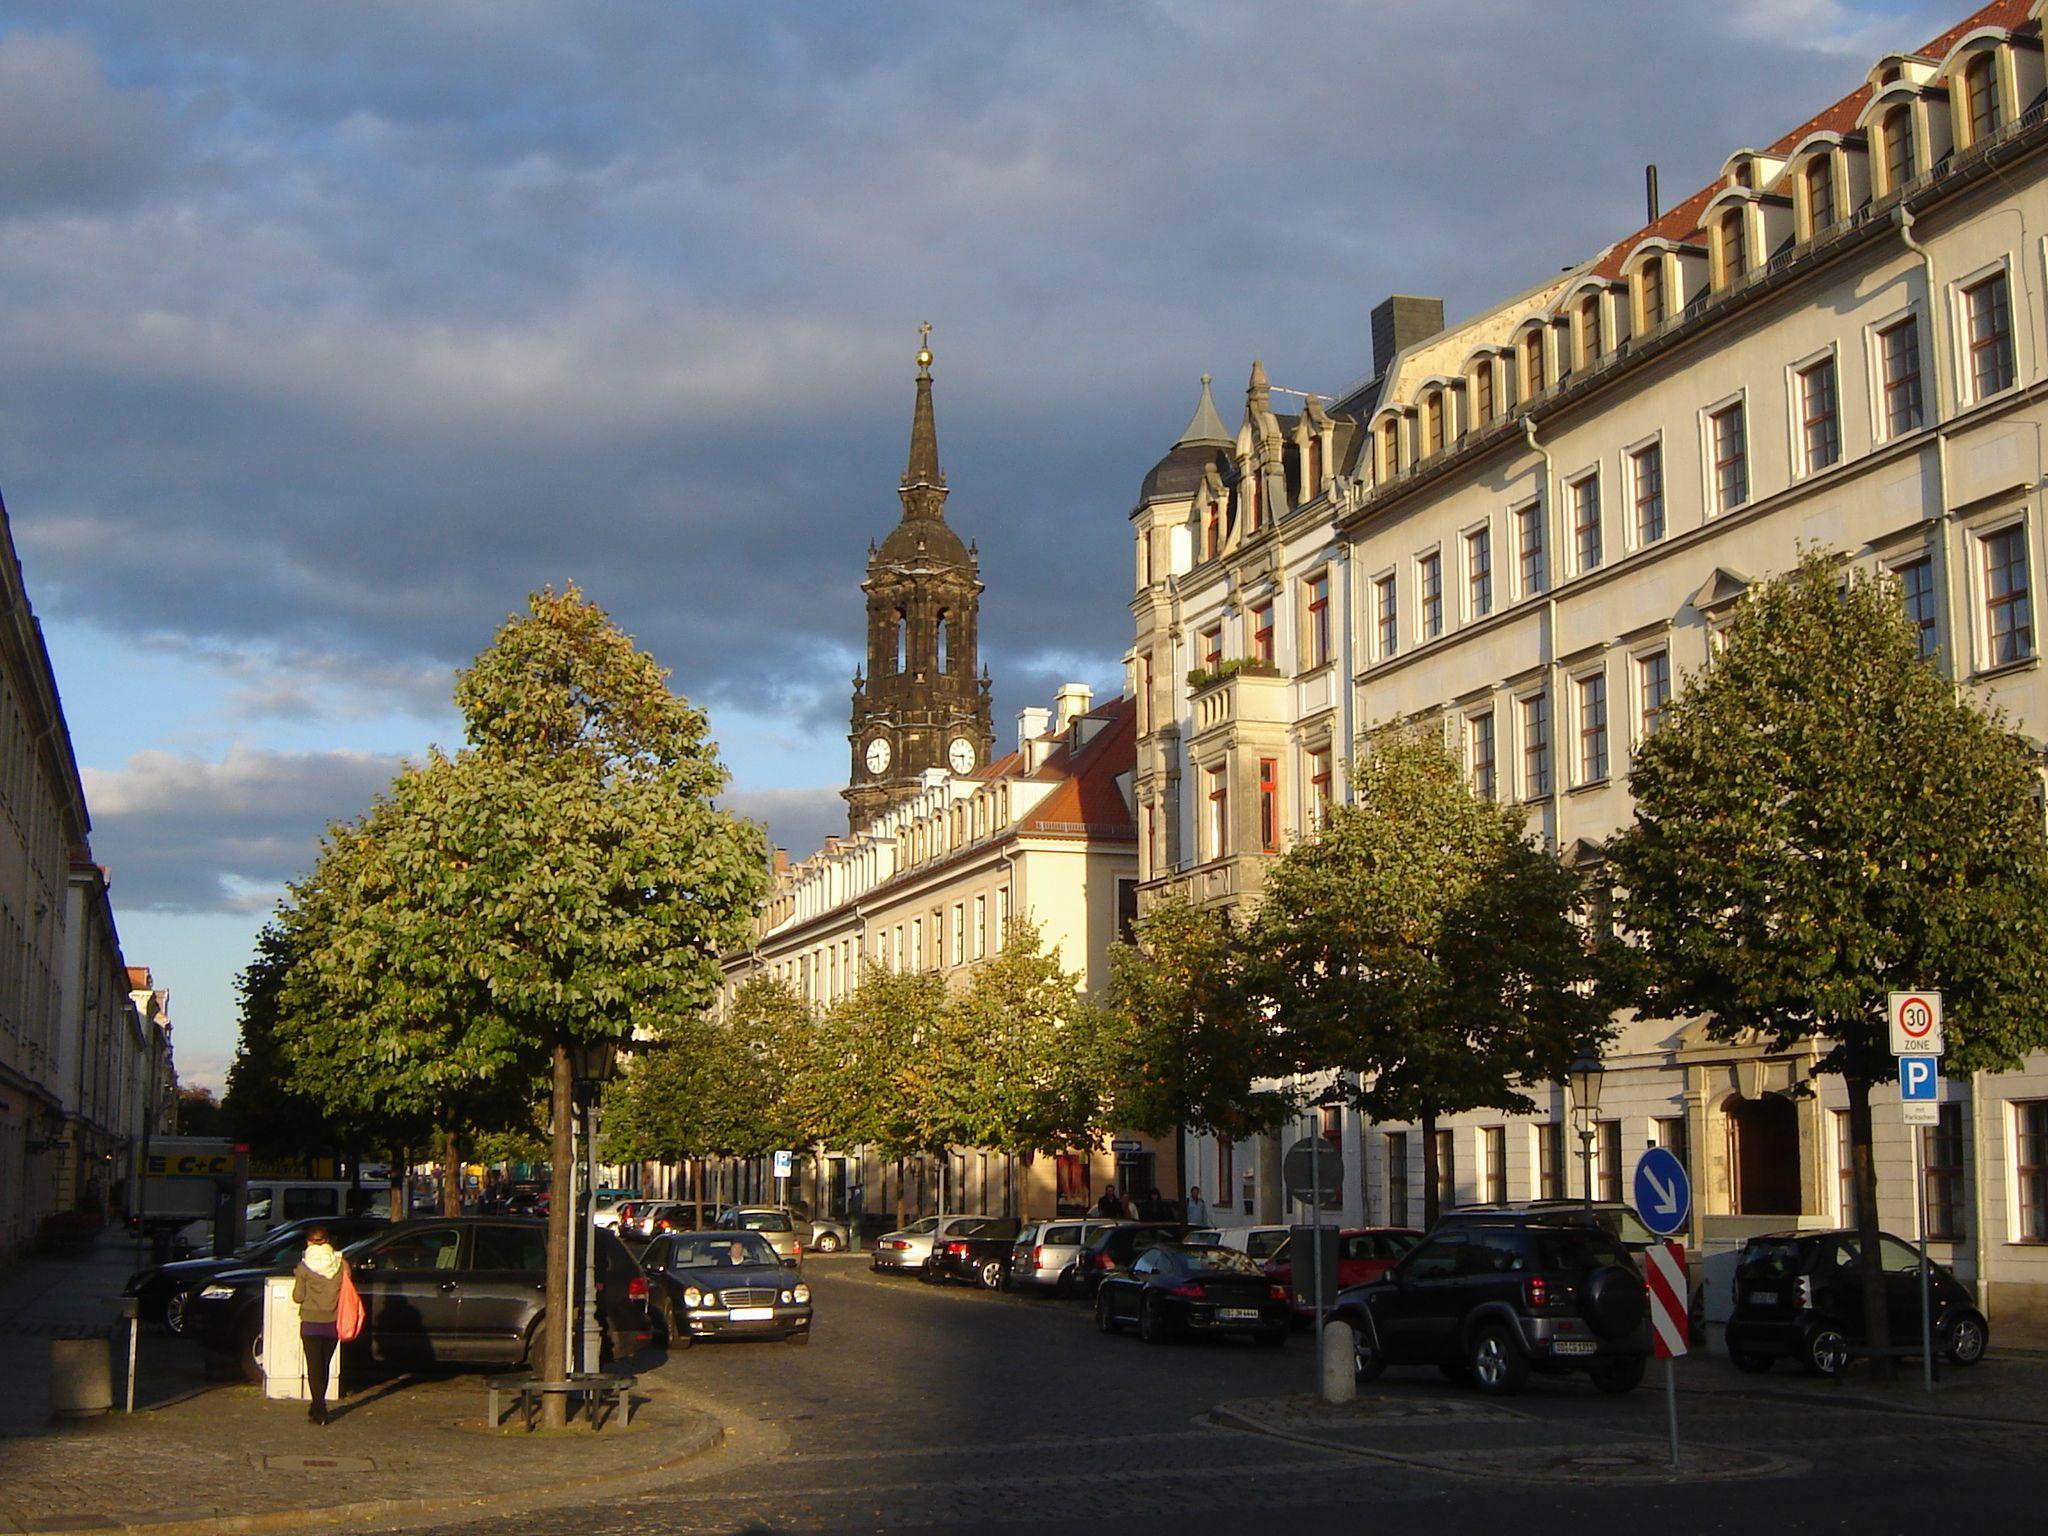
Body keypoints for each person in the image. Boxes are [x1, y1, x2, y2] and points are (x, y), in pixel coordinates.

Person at [291, 1227, 350, 1426]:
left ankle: (319, 1408)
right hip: (333, 1323)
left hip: (310, 1323)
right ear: (327, 1241)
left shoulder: (304, 1267)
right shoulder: (341, 1264)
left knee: (314, 1367)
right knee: (324, 1365)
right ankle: (318, 1408)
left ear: (308, 1242)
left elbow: (298, 1297)